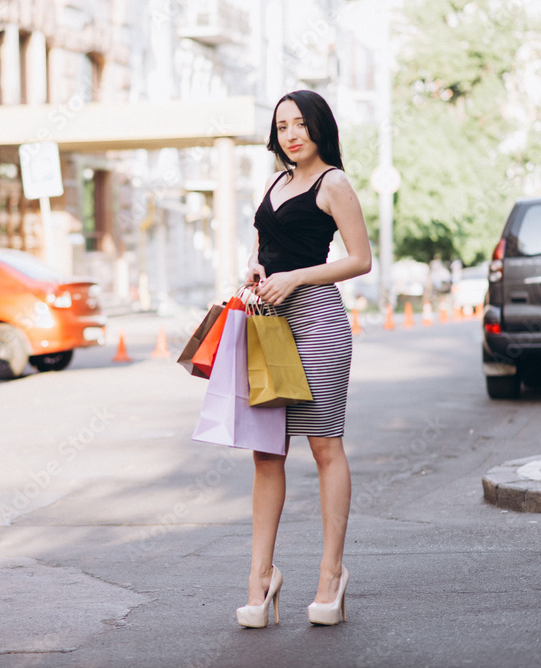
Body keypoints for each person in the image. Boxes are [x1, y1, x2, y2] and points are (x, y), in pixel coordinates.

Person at [236, 90, 371, 628]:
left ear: (318, 127)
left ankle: (330, 575)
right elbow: (262, 245)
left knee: (323, 445)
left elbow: (360, 259)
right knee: (266, 452)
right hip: (269, 323)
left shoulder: (333, 182)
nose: (291, 134)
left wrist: (295, 276)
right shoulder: (275, 182)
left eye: (300, 124)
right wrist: (253, 270)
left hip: (317, 321)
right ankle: (260, 579)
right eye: (282, 126)